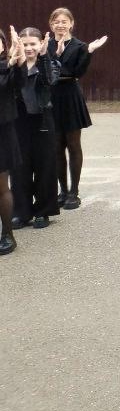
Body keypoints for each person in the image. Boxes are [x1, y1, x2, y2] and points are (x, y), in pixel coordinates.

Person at [48, 7, 108, 210]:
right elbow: (46, 70)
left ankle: (74, 192)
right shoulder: (45, 44)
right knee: (56, 147)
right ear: (51, 24)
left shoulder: (80, 46)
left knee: (73, 145)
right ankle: (62, 191)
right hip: (52, 98)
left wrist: (89, 51)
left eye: (65, 21)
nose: (60, 24)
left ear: (71, 24)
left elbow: (78, 72)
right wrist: (55, 54)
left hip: (71, 96)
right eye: (56, 21)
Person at [11, 27, 61, 230]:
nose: (29, 48)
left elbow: (50, 81)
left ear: (41, 44)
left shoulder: (50, 64)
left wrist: (44, 58)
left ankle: (43, 211)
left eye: (33, 43)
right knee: (19, 168)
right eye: (25, 44)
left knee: (45, 166)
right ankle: (21, 212)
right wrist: (16, 60)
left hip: (42, 121)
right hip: (19, 121)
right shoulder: (12, 65)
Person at [0, 31, 22, 255]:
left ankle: (7, 234)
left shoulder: (9, 67)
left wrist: (17, 62)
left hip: (2, 134)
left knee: (1, 187)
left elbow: (19, 81)